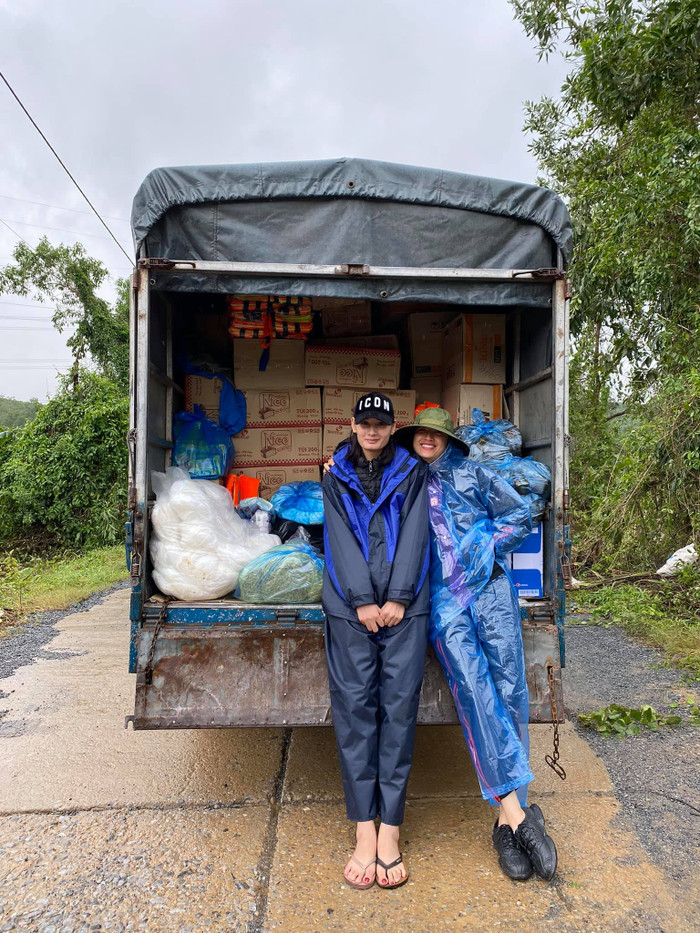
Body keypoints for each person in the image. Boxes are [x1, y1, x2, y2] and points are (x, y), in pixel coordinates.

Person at [394, 406, 558, 882]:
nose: (428, 439)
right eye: (421, 433)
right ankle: (520, 818)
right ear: (413, 438)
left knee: (509, 688)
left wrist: (485, 544)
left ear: (449, 439)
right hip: (442, 602)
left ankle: (505, 822)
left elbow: (520, 515)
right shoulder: (404, 481)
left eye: (437, 433)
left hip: (488, 590)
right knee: (474, 689)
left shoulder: (475, 473)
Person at [322, 392, 430, 890]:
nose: (371, 431)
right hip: (350, 609)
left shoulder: (413, 472)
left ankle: (391, 830)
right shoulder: (334, 474)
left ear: (392, 428)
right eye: (364, 423)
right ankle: (364, 830)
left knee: (399, 713)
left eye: (380, 424)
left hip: (404, 609)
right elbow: (338, 541)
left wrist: (400, 598)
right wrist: (363, 599)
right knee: (355, 715)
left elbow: (416, 534)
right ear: (352, 425)